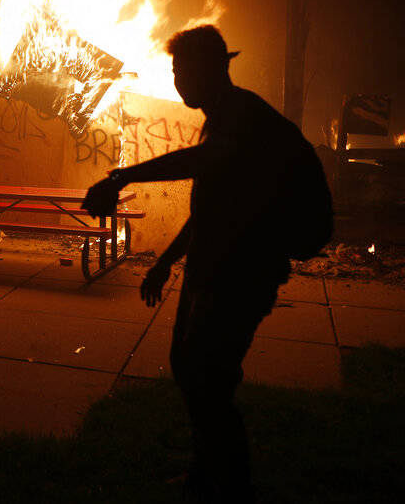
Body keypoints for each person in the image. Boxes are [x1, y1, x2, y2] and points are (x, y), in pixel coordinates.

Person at [82, 25, 304, 503]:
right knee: (189, 367)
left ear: (215, 68)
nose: (178, 81)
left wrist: (122, 176)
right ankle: (208, 475)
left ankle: (232, 484)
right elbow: (210, 207)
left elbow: (204, 162)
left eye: (184, 71)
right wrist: (165, 263)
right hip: (211, 268)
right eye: (175, 72)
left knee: (208, 380)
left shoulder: (241, 116)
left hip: (242, 274)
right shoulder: (221, 117)